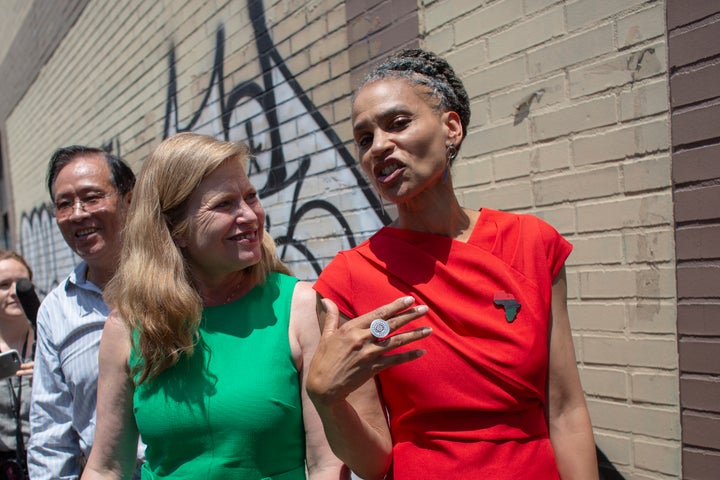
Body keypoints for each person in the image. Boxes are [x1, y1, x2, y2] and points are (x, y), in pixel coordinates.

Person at [306, 49, 599, 480]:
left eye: (398, 123)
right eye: (364, 138)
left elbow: (566, 409)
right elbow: (373, 464)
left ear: (451, 128)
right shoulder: (349, 279)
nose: (378, 146)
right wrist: (326, 400)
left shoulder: (532, 244)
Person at [81, 132, 344, 479]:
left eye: (251, 197)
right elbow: (107, 466)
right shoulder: (128, 327)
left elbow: (328, 463)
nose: (249, 216)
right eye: (224, 204)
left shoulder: (299, 307)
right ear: (176, 229)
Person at [28, 146, 136, 479]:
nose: (77, 214)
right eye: (64, 204)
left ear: (129, 200)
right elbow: (51, 431)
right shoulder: (56, 311)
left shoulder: (185, 281)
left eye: (91, 197)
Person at [0, 250, 34, 480]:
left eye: (21, 283)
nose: (14, 292)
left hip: (50, 464)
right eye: (4, 284)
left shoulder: (51, 340)